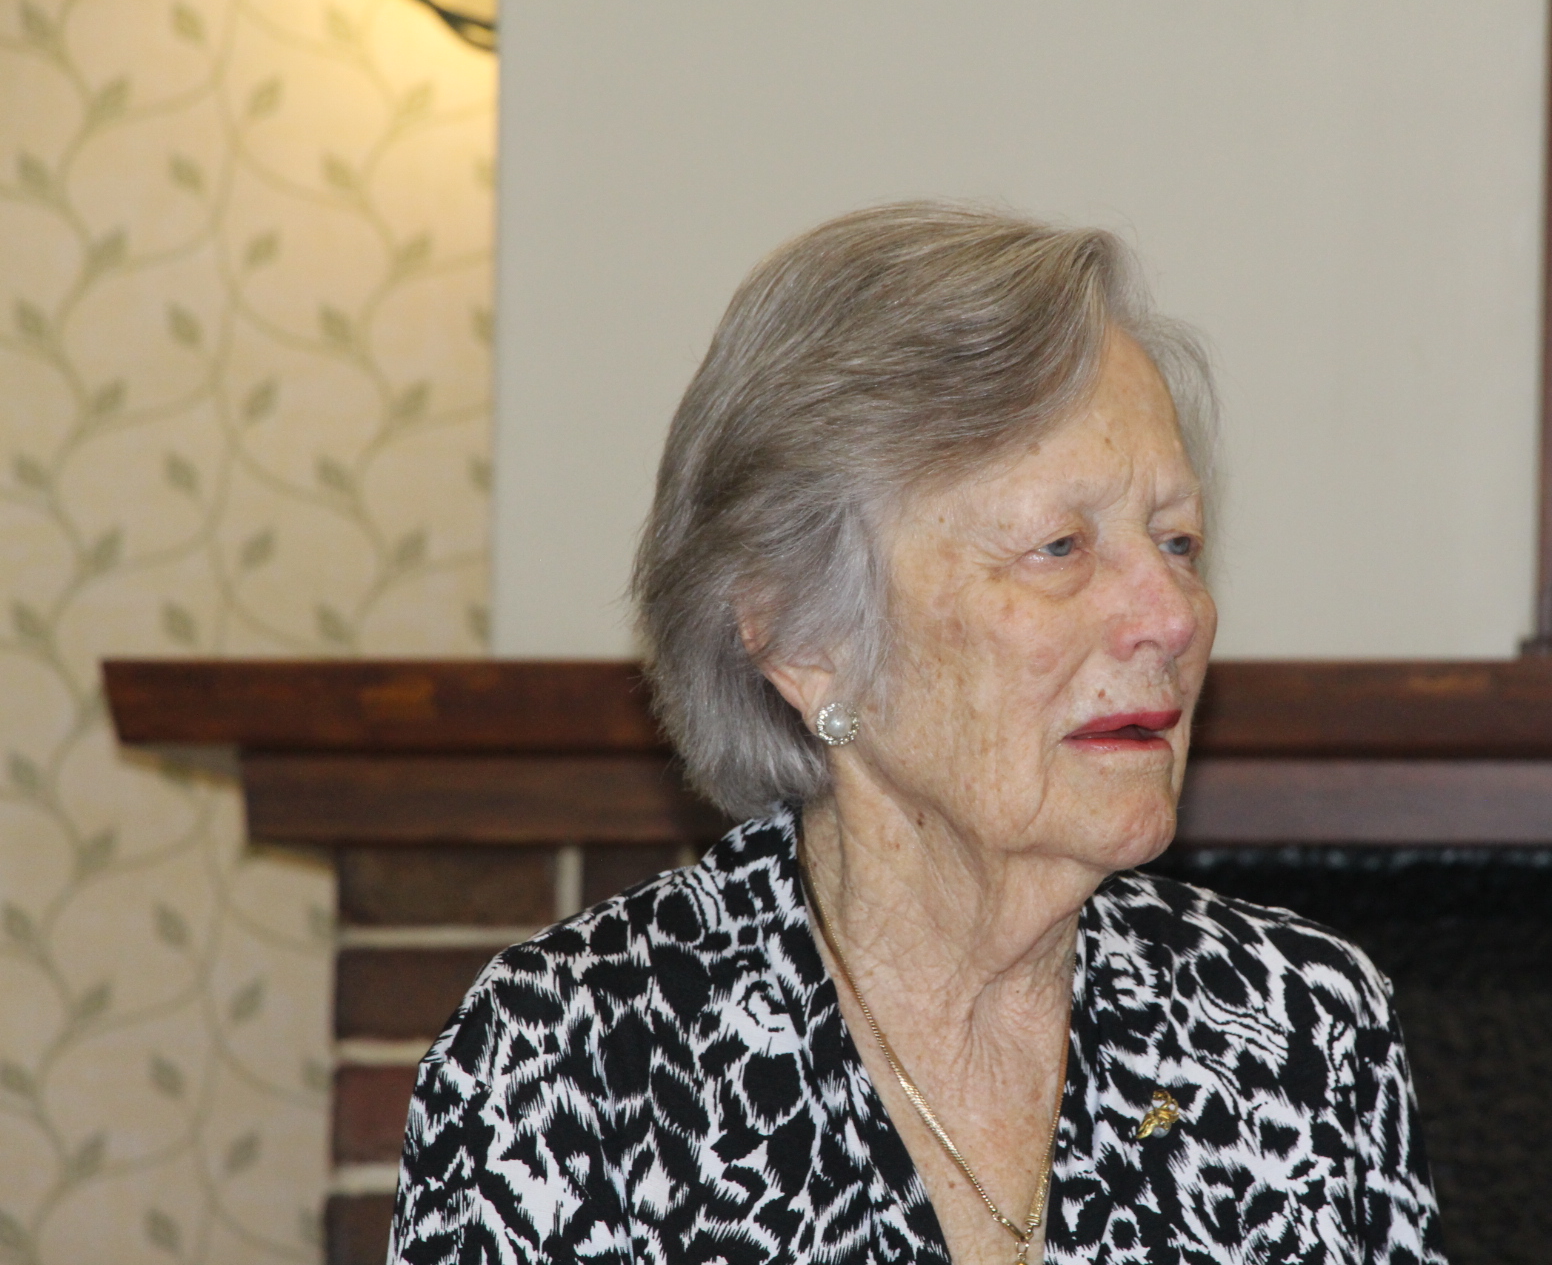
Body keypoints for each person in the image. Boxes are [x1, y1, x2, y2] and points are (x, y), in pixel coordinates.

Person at [389, 202, 1445, 1264]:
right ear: (806, 640)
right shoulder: (573, 1061)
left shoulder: (1295, 1028)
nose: (1172, 617)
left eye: (1178, 541)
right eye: (1060, 546)